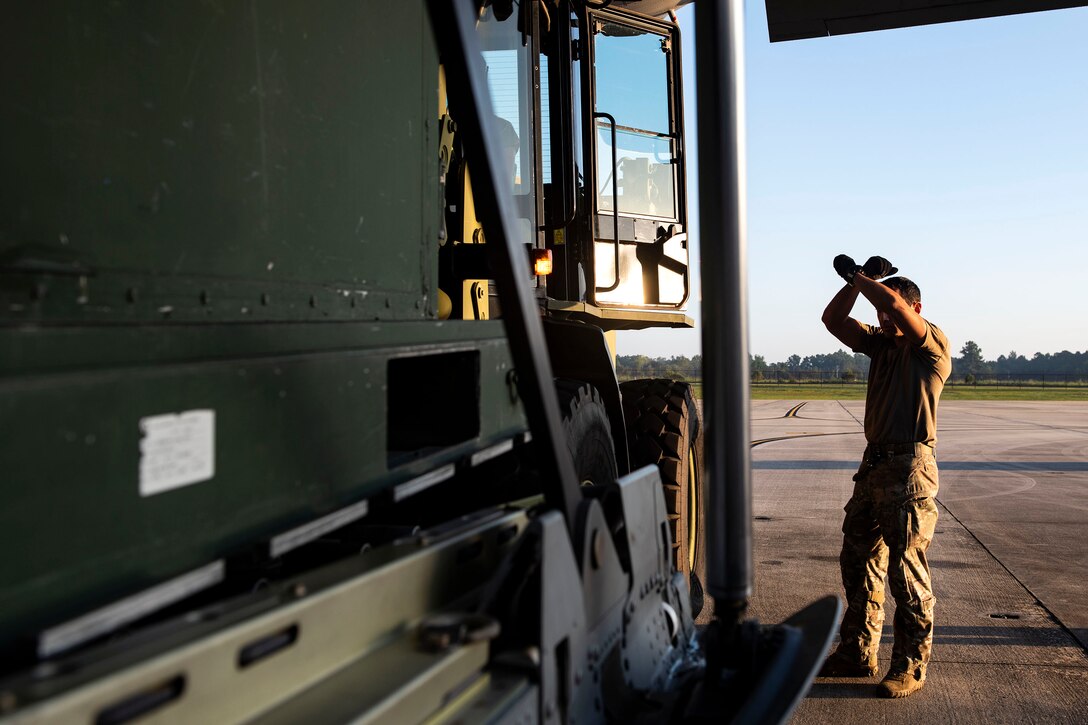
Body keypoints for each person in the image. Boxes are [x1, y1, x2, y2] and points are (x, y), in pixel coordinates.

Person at [819, 254, 952, 698]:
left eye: (890, 310)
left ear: (917, 309)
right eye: (878, 315)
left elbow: (894, 307)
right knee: (858, 559)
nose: (882, 319)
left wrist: (863, 278)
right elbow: (832, 318)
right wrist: (863, 283)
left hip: (910, 468)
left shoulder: (930, 345)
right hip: (874, 464)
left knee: (906, 569)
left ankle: (911, 666)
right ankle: (857, 652)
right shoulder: (880, 344)